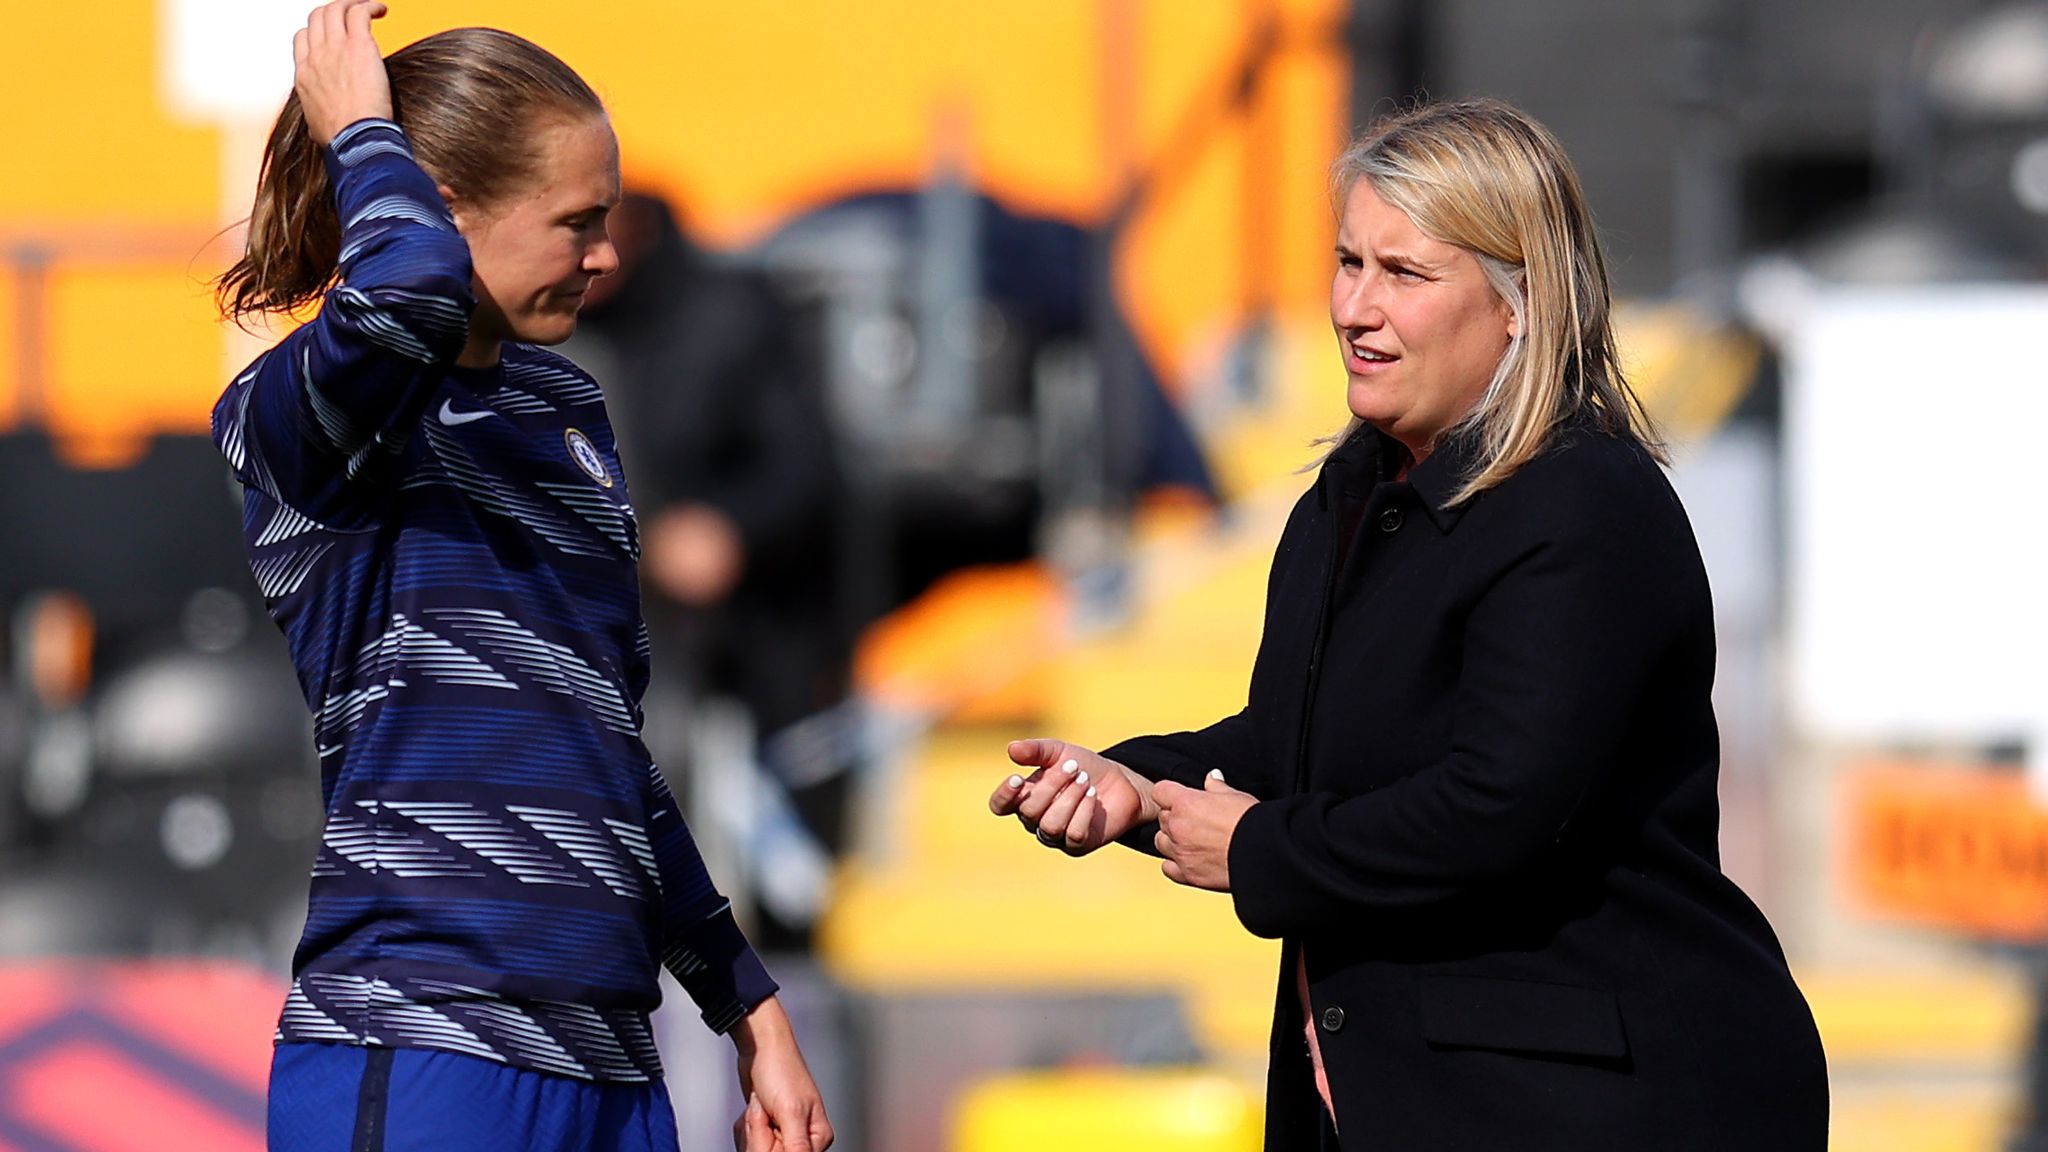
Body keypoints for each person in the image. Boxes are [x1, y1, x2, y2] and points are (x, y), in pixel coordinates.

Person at [988, 98, 1828, 1150]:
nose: (1354, 307)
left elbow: (1500, 804)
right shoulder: (1347, 499)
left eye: (1404, 273)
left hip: (1585, 1106)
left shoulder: (1583, 503)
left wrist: (1258, 847)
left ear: (1518, 301)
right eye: (1347, 263)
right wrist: (1127, 784)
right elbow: (1296, 744)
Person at [209, 4, 832, 1149]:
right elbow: (405, 296)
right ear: (440, 212)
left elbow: (606, 752)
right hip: (425, 1046)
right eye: (577, 223)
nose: (605, 256)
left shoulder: (570, 413)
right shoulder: (305, 413)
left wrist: (749, 1008)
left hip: (609, 1065)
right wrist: (361, 134)